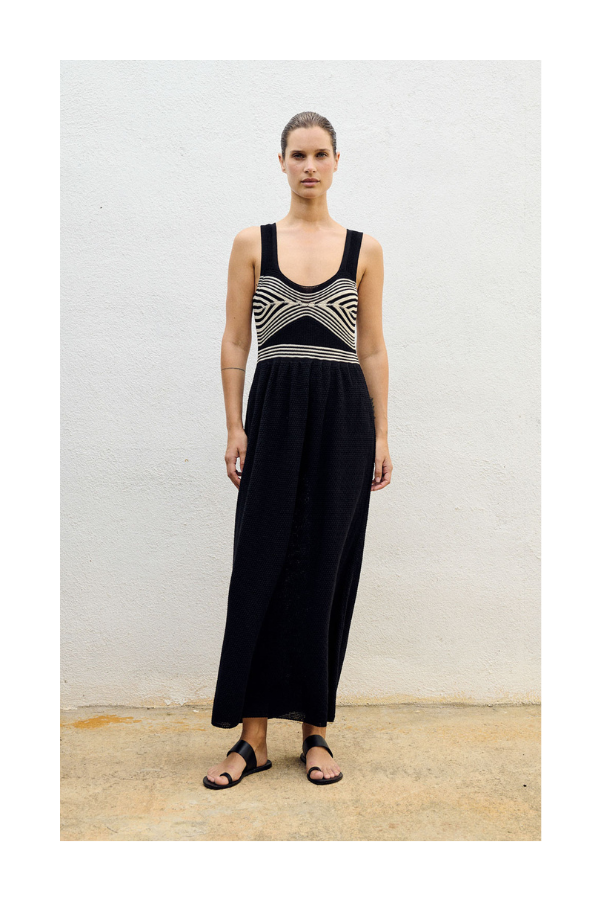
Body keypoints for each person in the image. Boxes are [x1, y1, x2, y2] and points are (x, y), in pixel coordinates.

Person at [204, 111, 392, 790]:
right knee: (260, 566)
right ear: (281, 162)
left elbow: (371, 348)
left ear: (337, 161)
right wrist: (235, 426)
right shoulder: (251, 243)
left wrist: (382, 434)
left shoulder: (364, 249)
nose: (309, 166)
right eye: (298, 155)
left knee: (325, 571)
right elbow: (236, 340)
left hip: (344, 420)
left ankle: (315, 730)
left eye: (320, 155)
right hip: (274, 413)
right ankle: (251, 738)